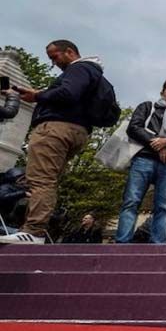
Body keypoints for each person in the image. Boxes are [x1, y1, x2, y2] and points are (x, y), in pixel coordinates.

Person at [1, 40, 103, 245]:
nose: (53, 63)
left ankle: (33, 231)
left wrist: (37, 95)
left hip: (55, 129)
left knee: (40, 180)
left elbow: (68, 93)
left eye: (54, 56)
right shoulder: (93, 74)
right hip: (78, 130)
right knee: (47, 181)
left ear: (70, 52)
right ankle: (32, 230)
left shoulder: (79, 69)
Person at [114, 79, 166, 244]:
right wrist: (159, 145)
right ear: (162, 93)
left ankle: (158, 246)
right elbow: (134, 128)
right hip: (143, 159)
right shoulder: (148, 107)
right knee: (131, 201)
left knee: (165, 206)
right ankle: (122, 244)